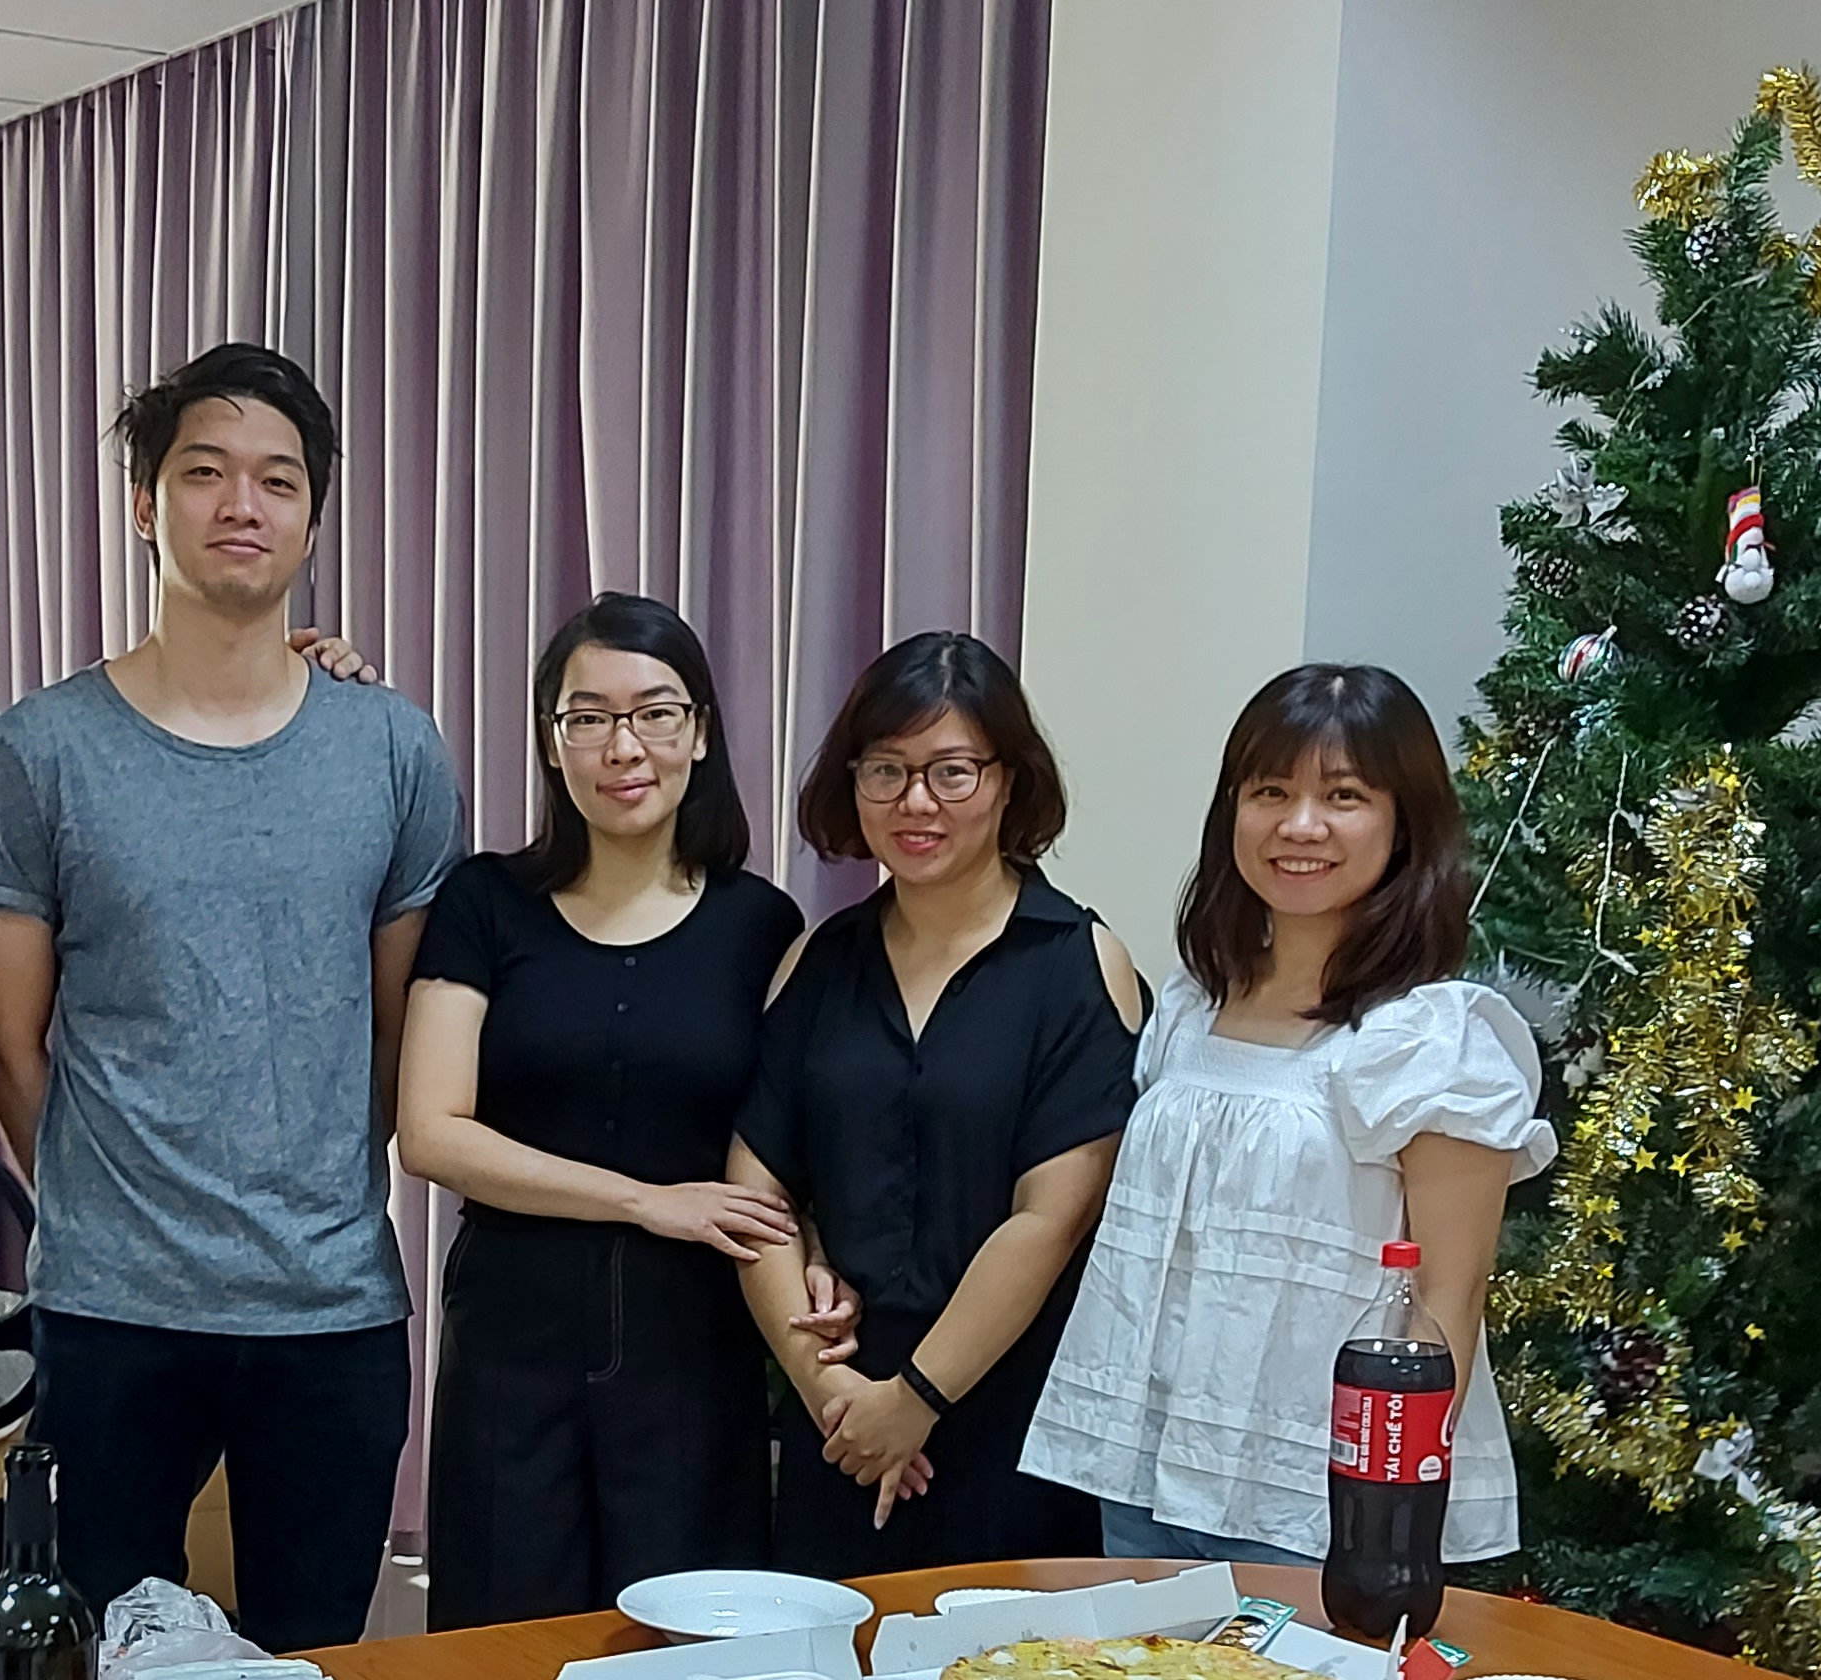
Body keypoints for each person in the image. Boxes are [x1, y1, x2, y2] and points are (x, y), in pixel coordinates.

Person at [0, 342, 462, 1653]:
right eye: (204, 473)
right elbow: (4, 1040)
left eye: (279, 481)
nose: (243, 504)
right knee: (103, 1677)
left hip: (333, 1304)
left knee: (319, 1679)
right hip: (113, 1309)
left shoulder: (393, 746)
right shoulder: (40, 750)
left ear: (312, 519)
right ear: (145, 504)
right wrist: (111, 1190)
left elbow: (399, 1028)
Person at [1023, 665, 1554, 1563]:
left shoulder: (1431, 1037)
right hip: (1146, 1472)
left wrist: (1387, 1522)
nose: (1300, 825)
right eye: (1271, 791)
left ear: (1404, 823)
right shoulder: (1193, 1004)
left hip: (1318, 1505)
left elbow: (1448, 1299)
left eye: (1343, 797)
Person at [397, 594, 804, 1625]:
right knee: (501, 1641)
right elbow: (432, 1132)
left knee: (686, 1645)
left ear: (700, 733)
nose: (624, 748)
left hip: (694, 1342)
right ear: (551, 741)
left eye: (655, 713)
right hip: (512, 1334)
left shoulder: (762, 924)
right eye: (589, 718)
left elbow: (793, 1141)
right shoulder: (484, 902)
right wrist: (644, 1200)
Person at [728, 632, 1144, 1574]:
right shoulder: (818, 961)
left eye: (952, 772)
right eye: (887, 770)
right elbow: (757, 1191)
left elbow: (1050, 1220)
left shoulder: (1078, 963)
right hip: (838, 1414)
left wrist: (912, 1400)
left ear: (1008, 780)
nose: (916, 802)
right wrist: (832, 1398)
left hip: (1015, 1421)